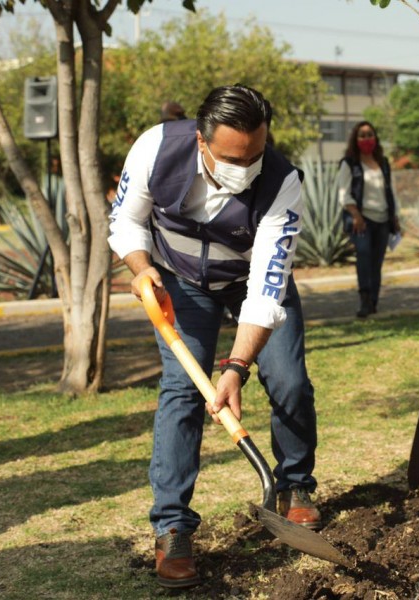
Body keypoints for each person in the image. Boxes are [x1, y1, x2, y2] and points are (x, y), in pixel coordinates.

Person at [108, 85, 320, 589]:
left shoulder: (281, 181)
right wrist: (141, 271)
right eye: (230, 158)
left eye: (254, 155)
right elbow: (126, 220)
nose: (244, 168)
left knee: (289, 381)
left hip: (250, 279)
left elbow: (268, 287)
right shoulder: (156, 148)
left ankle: (296, 487)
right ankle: (173, 527)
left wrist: (237, 368)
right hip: (179, 281)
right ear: (201, 141)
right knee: (182, 390)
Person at [337, 121, 401, 318]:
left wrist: (395, 216)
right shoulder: (349, 164)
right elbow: (343, 194)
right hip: (361, 220)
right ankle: (364, 300)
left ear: (375, 138)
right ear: (356, 139)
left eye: (370, 134)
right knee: (364, 257)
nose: (366, 139)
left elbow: (391, 190)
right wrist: (355, 215)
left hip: (383, 219)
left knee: (377, 262)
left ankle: (374, 301)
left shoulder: (383, 163)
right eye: (362, 135)